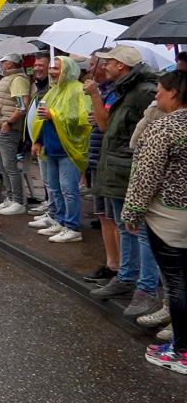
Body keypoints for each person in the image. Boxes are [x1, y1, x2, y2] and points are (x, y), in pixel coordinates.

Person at [88, 45, 162, 319]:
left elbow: (152, 130)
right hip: (119, 169)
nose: (103, 66)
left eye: (108, 62)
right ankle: (127, 277)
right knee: (124, 225)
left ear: (121, 66)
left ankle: (146, 289)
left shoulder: (143, 91)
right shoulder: (126, 89)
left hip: (131, 169)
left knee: (139, 230)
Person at [121, 71, 187, 374]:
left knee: (177, 284)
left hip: (169, 218)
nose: (156, 94)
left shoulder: (165, 127)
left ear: (174, 93)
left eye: (160, 90)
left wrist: (131, 212)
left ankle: (182, 351)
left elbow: (145, 176)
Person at [28, 56, 92, 243]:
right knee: (54, 188)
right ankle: (58, 219)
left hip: (68, 150)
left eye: (56, 68)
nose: (52, 72)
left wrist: (54, 115)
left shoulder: (78, 91)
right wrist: (37, 140)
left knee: (68, 190)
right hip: (50, 148)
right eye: (51, 68)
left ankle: (72, 227)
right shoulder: (52, 91)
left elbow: (82, 119)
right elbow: (41, 118)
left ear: (68, 70)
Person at [76, 53, 121, 285]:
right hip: (96, 158)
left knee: (115, 219)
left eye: (93, 65)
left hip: (108, 159)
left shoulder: (115, 92)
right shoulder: (105, 91)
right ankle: (111, 263)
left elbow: (105, 124)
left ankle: (122, 269)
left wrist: (94, 95)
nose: (89, 69)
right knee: (103, 215)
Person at [0, 53, 32, 215]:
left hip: (6, 128)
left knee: (9, 166)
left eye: (4, 62)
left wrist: (9, 122)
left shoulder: (18, 79)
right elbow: (8, 102)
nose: (2, 64)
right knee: (2, 165)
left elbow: (22, 103)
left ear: (11, 64)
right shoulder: (9, 79)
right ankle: (11, 197)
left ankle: (18, 201)